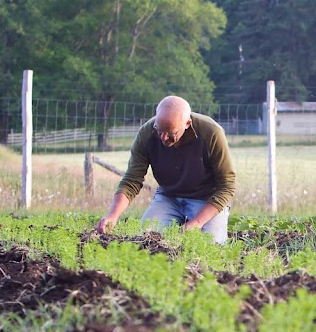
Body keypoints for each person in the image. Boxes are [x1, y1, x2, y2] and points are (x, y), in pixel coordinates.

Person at [96, 95, 236, 244]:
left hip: (206, 199)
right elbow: (132, 180)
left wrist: (196, 223)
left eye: (171, 133)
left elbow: (227, 185)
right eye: (159, 130)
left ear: (187, 123)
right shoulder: (146, 134)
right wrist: (113, 215)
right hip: (169, 198)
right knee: (145, 240)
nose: (163, 138)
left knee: (210, 246)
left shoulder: (211, 132)